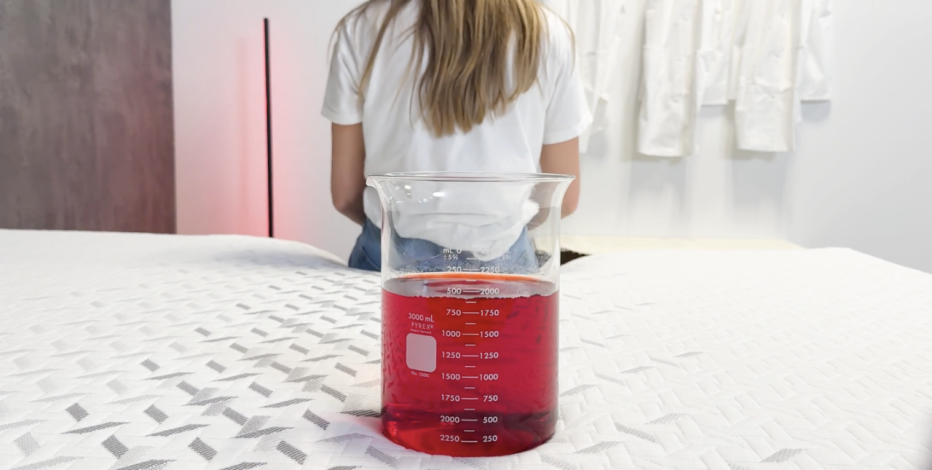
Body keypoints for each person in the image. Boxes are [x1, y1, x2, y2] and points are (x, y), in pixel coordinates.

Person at [323, 0, 591, 272]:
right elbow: (564, 199)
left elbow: (345, 195)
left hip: (387, 259)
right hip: (504, 263)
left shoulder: (361, 28)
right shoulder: (549, 34)